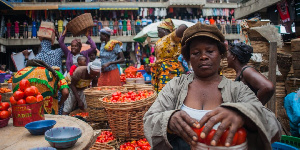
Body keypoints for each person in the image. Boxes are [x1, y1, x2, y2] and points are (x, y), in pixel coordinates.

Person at [143, 23, 281, 150]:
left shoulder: (237, 89)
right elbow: (149, 119)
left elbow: (272, 124)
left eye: (210, 51)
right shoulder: (175, 86)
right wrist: (169, 119)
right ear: (189, 58)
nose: (203, 57)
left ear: (221, 55)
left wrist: (242, 114)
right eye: (196, 53)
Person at [151, 18, 187, 92]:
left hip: (170, 69)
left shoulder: (171, 37)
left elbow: (183, 27)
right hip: (162, 69)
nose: (157, 31)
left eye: (159, 29)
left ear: (165, 30)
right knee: (162, 95)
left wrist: (175, 31)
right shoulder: (161, 39)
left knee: (169, 94)